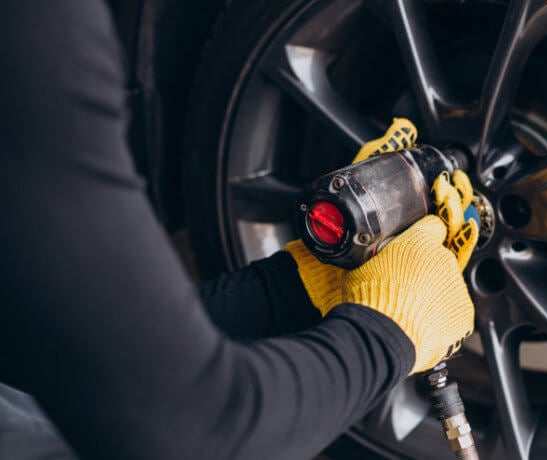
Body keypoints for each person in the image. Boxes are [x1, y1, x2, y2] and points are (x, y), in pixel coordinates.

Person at [0, 1, 478, 459]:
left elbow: (62, 342)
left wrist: (297, 288)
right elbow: (190, 435)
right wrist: (388, 334)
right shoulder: (33, 30)